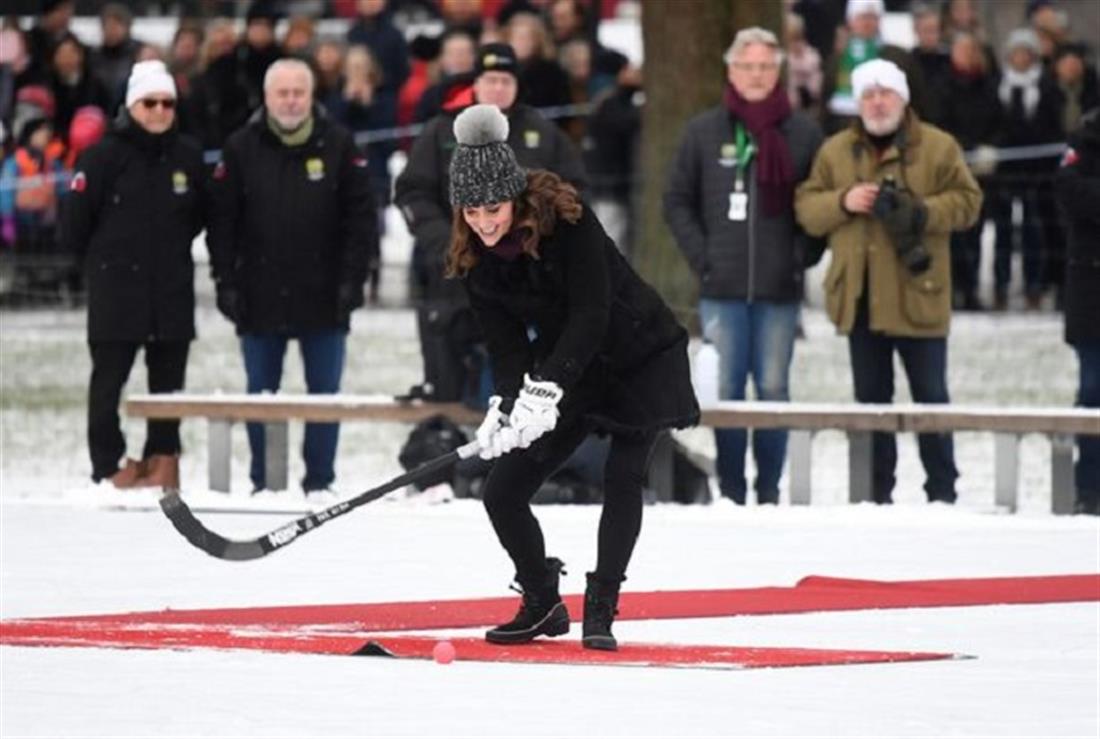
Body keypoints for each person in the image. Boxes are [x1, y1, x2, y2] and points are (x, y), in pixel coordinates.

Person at [448, 104, 699, 650]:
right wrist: (508, 403)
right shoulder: (476, 258)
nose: (484, 223)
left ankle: (603, 603)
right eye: (471, 212)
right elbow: (506, 343)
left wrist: (547, 388)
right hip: (571, 369)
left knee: (622, 477)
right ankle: (542, 600)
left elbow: (593, 312)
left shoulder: (568, 220)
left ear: (514, 198)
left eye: (493, 208)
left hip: (638, 356)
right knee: (503, 489)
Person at [794, 59, 982, 504]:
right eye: (869, 95)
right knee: (870, 405)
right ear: (858, 103)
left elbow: (969, 202)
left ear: (903, 98)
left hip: (919, 296)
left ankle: (943, 492)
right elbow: (806, 207)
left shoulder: (938, 147)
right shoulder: (835, 151)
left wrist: (921, 211)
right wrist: (844, 200)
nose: (878, 103)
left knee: (931, 401)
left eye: (886, 93)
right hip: (860, 300)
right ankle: (873, 495)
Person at [664, 27, 824, 505]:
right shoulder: (703, 130)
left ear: (777, 72)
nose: (756, 75)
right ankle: (732, 491)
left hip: (779, 288)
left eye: (764, 67)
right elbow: (676, 200)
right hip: (722, 287)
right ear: (731, 71)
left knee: (774, 388)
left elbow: (820, 209)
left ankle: (768, 491)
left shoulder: (803, 133)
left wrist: (800, 259)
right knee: (728, 391)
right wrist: (704, 257)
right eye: (747, 66)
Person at [207, 58, 377, 496]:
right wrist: (225, 281)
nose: (290, 100)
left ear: (311, 95)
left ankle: (320, 481)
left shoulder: (339, 144)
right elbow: (222, 224)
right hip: (258, 296)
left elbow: (361, 221)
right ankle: (266, 482)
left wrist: (352, 282)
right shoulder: (240, 146)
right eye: (282, 92)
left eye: (298, 92)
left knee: (324, 395)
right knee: (261, 395)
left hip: (325, 298)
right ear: (267, 97)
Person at [394, 41, 586, 404]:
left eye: (506, 80)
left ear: (517, 87)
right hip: (456, 280)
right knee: (452, 391)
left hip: (526, 282)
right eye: (490, 79)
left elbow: (573, 192)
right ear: (475, 84)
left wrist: (539, 238)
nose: (497, 87)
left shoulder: (543, 133)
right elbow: (411, 192)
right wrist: (447, 242)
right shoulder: (441, 130)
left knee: (515, 384)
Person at [61, 60, 206, 490]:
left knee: (167, 386)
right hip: (116, 292)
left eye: (167, 103)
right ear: (131, 105)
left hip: (171, 291)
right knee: (108, 382)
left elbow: (199, 216)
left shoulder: (189, 155)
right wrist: (103, 265)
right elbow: (74, 226)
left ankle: (162, 457)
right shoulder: (103, 157)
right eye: (150, 102)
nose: (160, 111)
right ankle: (108, 464)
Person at [1055, 107, 1100, 516]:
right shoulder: (1084, 139)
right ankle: (1089, 489)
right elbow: (1070, 191)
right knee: (1093, 394)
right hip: (1092, 295)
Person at [821, 0, 927, 133]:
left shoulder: (898, 57)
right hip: (843, 129)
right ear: (850, 21)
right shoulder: (837, 59)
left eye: (872, 17)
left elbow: (916, 97)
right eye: (861, 17)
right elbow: (825, 99)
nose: (867, 23)